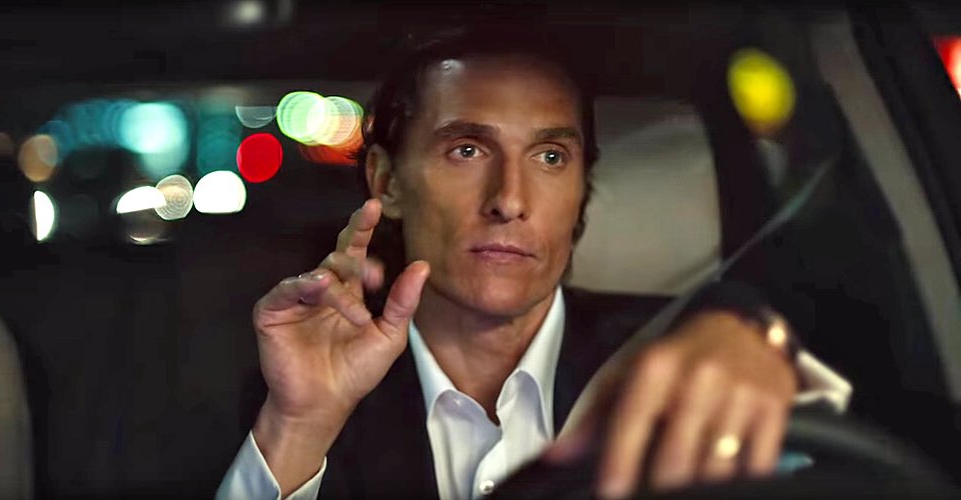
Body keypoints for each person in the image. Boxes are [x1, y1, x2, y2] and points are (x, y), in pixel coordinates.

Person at [218, 26, 850, 500]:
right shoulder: (312, 393)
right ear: (387, 181)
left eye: (550, 158)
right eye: (467, 150)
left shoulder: (694, 348)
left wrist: (763, 355)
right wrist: (299, 426)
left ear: (582, 189)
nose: (510, 200)